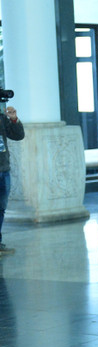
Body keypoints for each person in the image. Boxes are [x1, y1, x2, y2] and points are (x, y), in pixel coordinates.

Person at [0, 103, 25, 255]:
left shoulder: (2, 118)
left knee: (1, 208)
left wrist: (14, 119)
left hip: (3, 169)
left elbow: (18, 135)